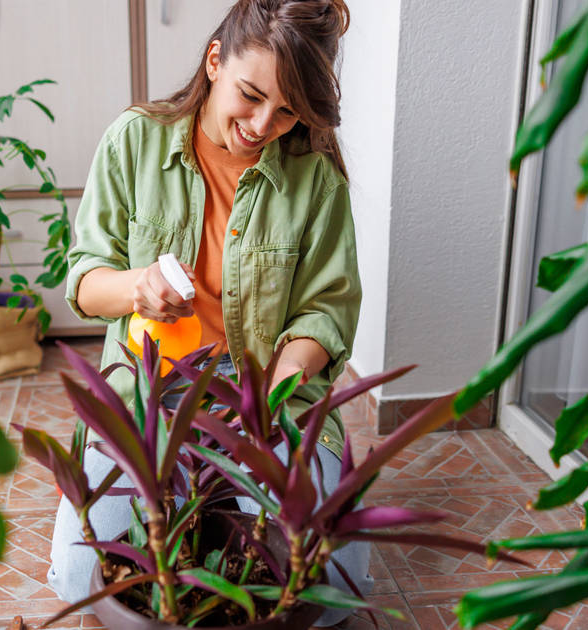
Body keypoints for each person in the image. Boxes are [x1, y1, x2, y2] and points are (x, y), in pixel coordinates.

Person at [50, 0, 367, 625]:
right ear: (215, 60)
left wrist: (272, 402)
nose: (262, 124)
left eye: (287, 111)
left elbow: (324, 313)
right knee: (84, 572)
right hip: (149, 398)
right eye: (251, 95)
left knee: (326, 585)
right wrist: (138, 286)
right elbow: (85, 280)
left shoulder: (316, 180)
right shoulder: (135, 141)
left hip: (263, 401)